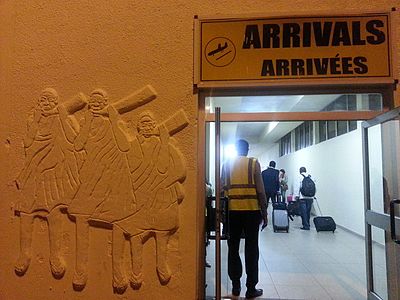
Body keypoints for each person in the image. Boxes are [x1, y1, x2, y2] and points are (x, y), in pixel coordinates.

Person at [14, 88, 81, 278]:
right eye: (43, 99)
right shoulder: (33, 119)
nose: (46, 103)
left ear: (56, 102)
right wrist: (35, 121)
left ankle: (56, 256)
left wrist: (63, 117)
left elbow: (74, 141)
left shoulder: (64, 118)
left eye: (50, 100)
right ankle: (25, 253)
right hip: (34, 172)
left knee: (54, 213)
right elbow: (27, 143)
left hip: (53, 173)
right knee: (26, 212)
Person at [221, 139, 268, 299]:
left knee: (233, 249)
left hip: (232, 212)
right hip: (252, 211)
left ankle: (235, 287)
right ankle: (251, 288)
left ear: (235, 149)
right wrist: (265, 212)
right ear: (247, 149)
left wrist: (221, 214)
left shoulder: (226, 164)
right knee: (251, 249)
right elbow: (261, 191)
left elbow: (222, 190)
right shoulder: (254, 163)